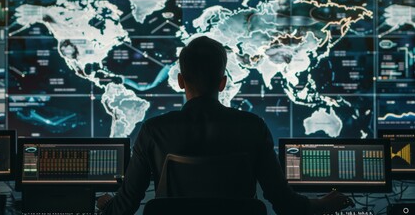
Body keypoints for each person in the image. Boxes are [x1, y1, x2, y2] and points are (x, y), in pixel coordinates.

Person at [97, 36, 354, 214]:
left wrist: (108, 205)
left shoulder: (154, 130)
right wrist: (323, 204)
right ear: (222, 83)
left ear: (179, 81)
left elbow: (126, 206)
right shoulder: (253, 127)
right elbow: (285, 204)